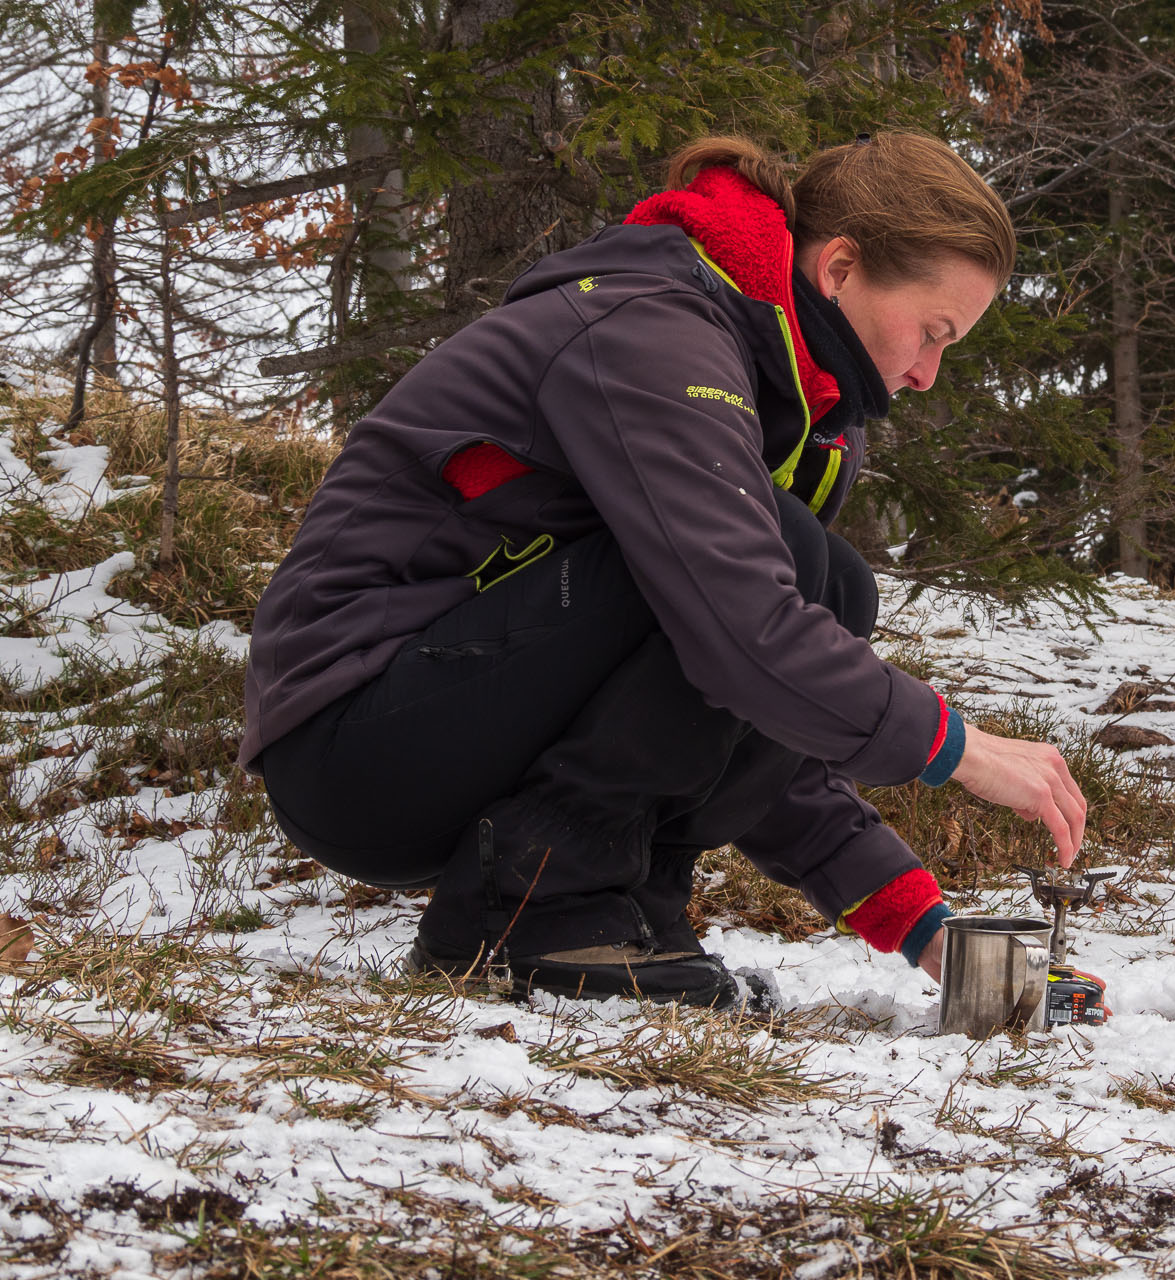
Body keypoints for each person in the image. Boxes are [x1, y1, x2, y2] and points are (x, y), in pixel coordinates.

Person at [240, 131, 1088, 1009]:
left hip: (450, 721)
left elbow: (753, 714)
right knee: (788, 572)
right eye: (932, 332)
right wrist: (959, 748)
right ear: (839, 269)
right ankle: (537, 913)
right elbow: (741, 634)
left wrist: (923, 927)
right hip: (354, 736)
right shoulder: (652, 326)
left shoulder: (800, 410)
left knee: (824, 582)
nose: (926, 375)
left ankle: (617, 915)